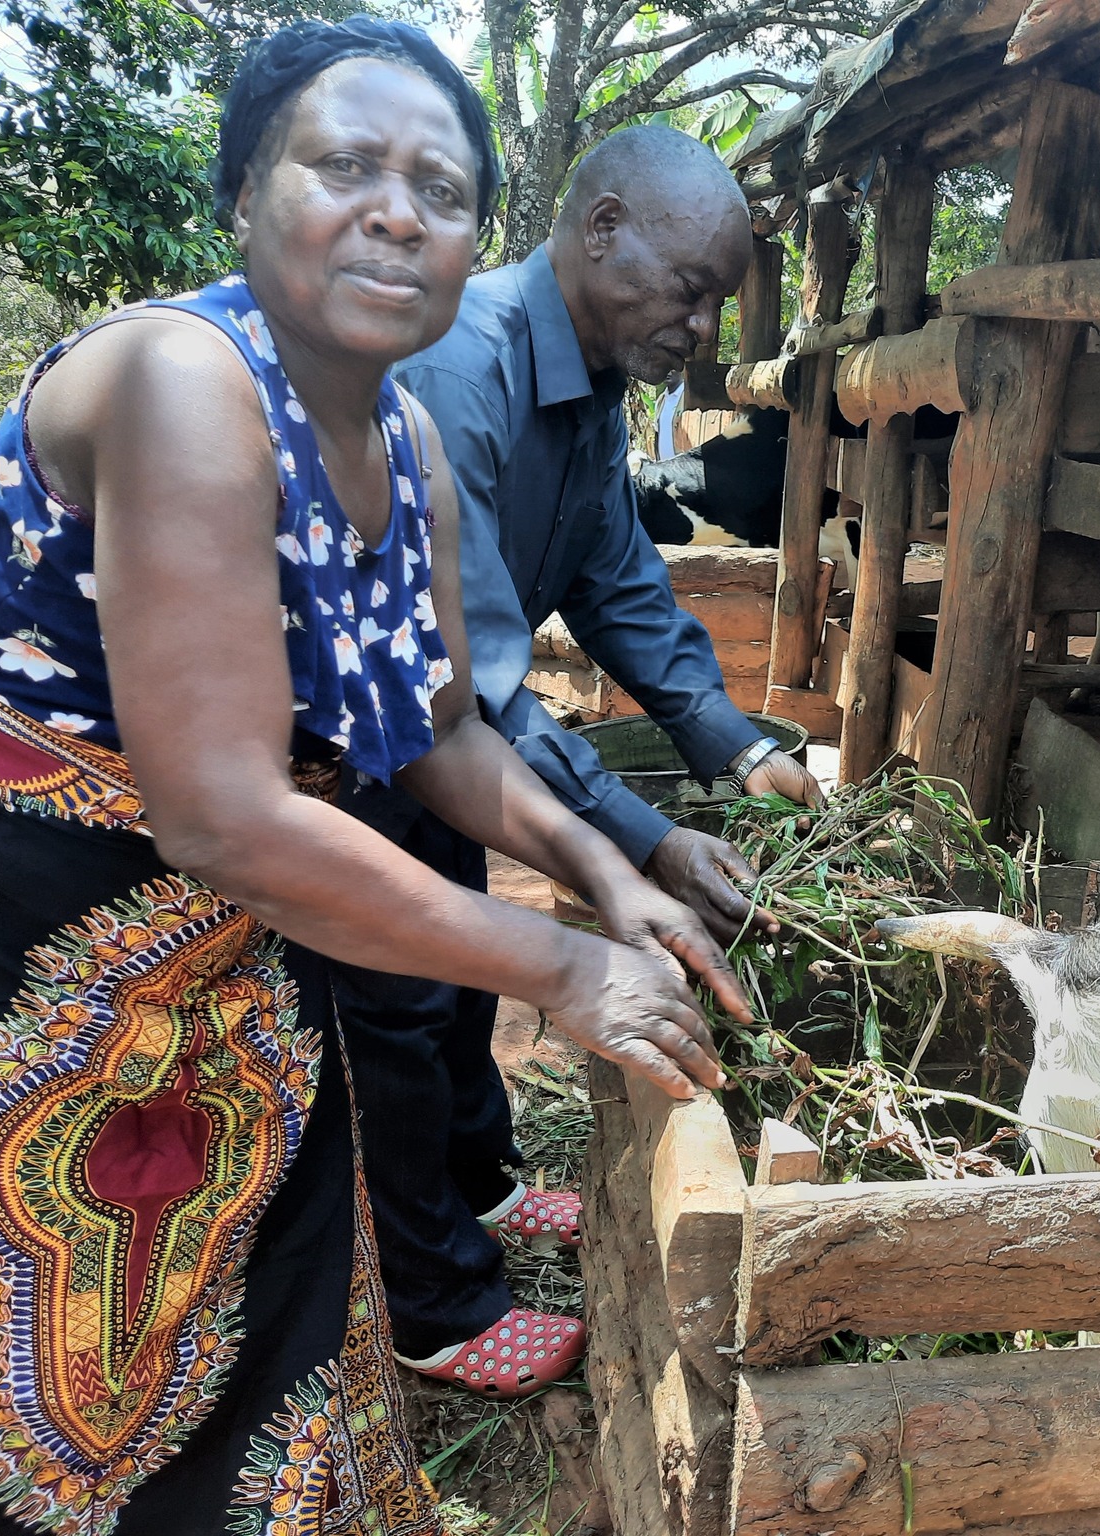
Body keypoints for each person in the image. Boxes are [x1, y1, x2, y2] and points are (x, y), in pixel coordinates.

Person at [0, 18, 741, 1531]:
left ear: (477, 240)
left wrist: (608, 874)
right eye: (346, 165)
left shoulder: (405, 439)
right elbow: (221, 811)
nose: (398, 210)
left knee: (220, 1316)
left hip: (201, 962)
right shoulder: (179, 382)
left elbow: (442, 735)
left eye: (442, 189)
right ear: (248, 193)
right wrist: (560, 970)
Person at [334, 123, 825, 1396]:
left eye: (716, 301)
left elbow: (618, 586)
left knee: (453, 967)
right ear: (601, 228)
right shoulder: (461, 364)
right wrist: (635, 838)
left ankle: (483, 1187)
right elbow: (487, 660)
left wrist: (732, 744)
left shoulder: (593, 390)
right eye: (690, 287)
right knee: (389, 998)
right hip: (366, 739)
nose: (702, 328)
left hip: (448, 742)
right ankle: (430, 1303)